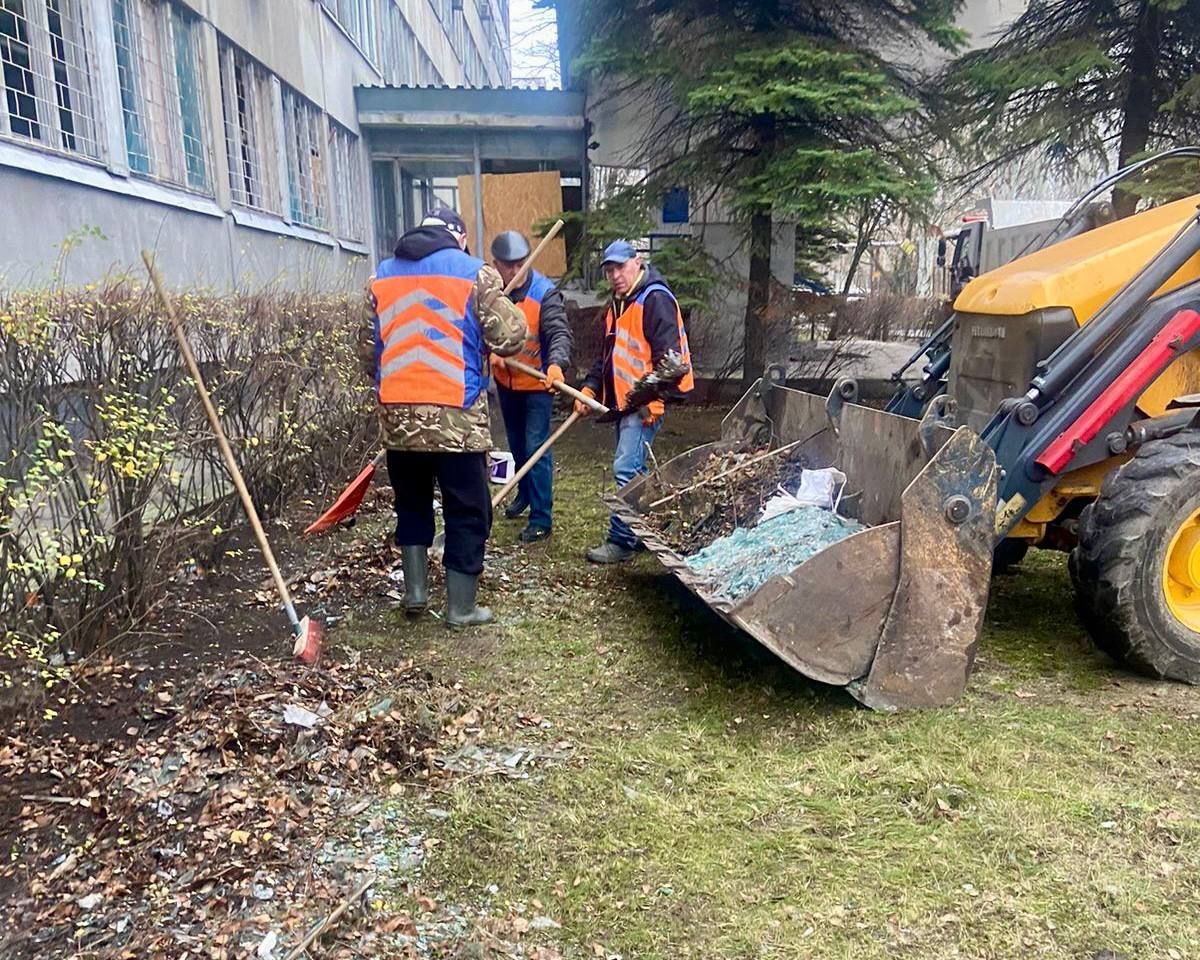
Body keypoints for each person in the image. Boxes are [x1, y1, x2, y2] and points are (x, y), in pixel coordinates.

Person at [359, 207, 526, 626]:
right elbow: (510, 337)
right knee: (467, 508)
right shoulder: (476, 273)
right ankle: (461, 607)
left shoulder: (381, 277)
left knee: (411, 504)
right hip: (457, 418)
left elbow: (367, 351)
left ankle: (415, 593)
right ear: (461, 238)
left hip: (398, 420)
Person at [574, 240, 695, 564]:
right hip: (629, 402)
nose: (614, 275)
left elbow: (671, 359)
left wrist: (658, 399)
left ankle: (623, 541)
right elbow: (608, 356)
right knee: (635, 471)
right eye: (609, 270)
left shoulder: (655, 299)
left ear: (637, 263)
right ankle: (643, 530)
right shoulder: (620, 302)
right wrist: (589, 388)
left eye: (620, 267)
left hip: (646, 403)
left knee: (625, 468)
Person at [488, 230, 573, 543]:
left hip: (537, 384)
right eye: (507, 265)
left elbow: (559, 332)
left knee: (536, 447)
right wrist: (492, 353)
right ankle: (523, 494)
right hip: (506, 384)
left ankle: (541, 517)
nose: (514, 272)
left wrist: (556, 365)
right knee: (516, 445)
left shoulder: (545, 293)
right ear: (496, 264)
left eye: (519, 264)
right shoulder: (492, 293)